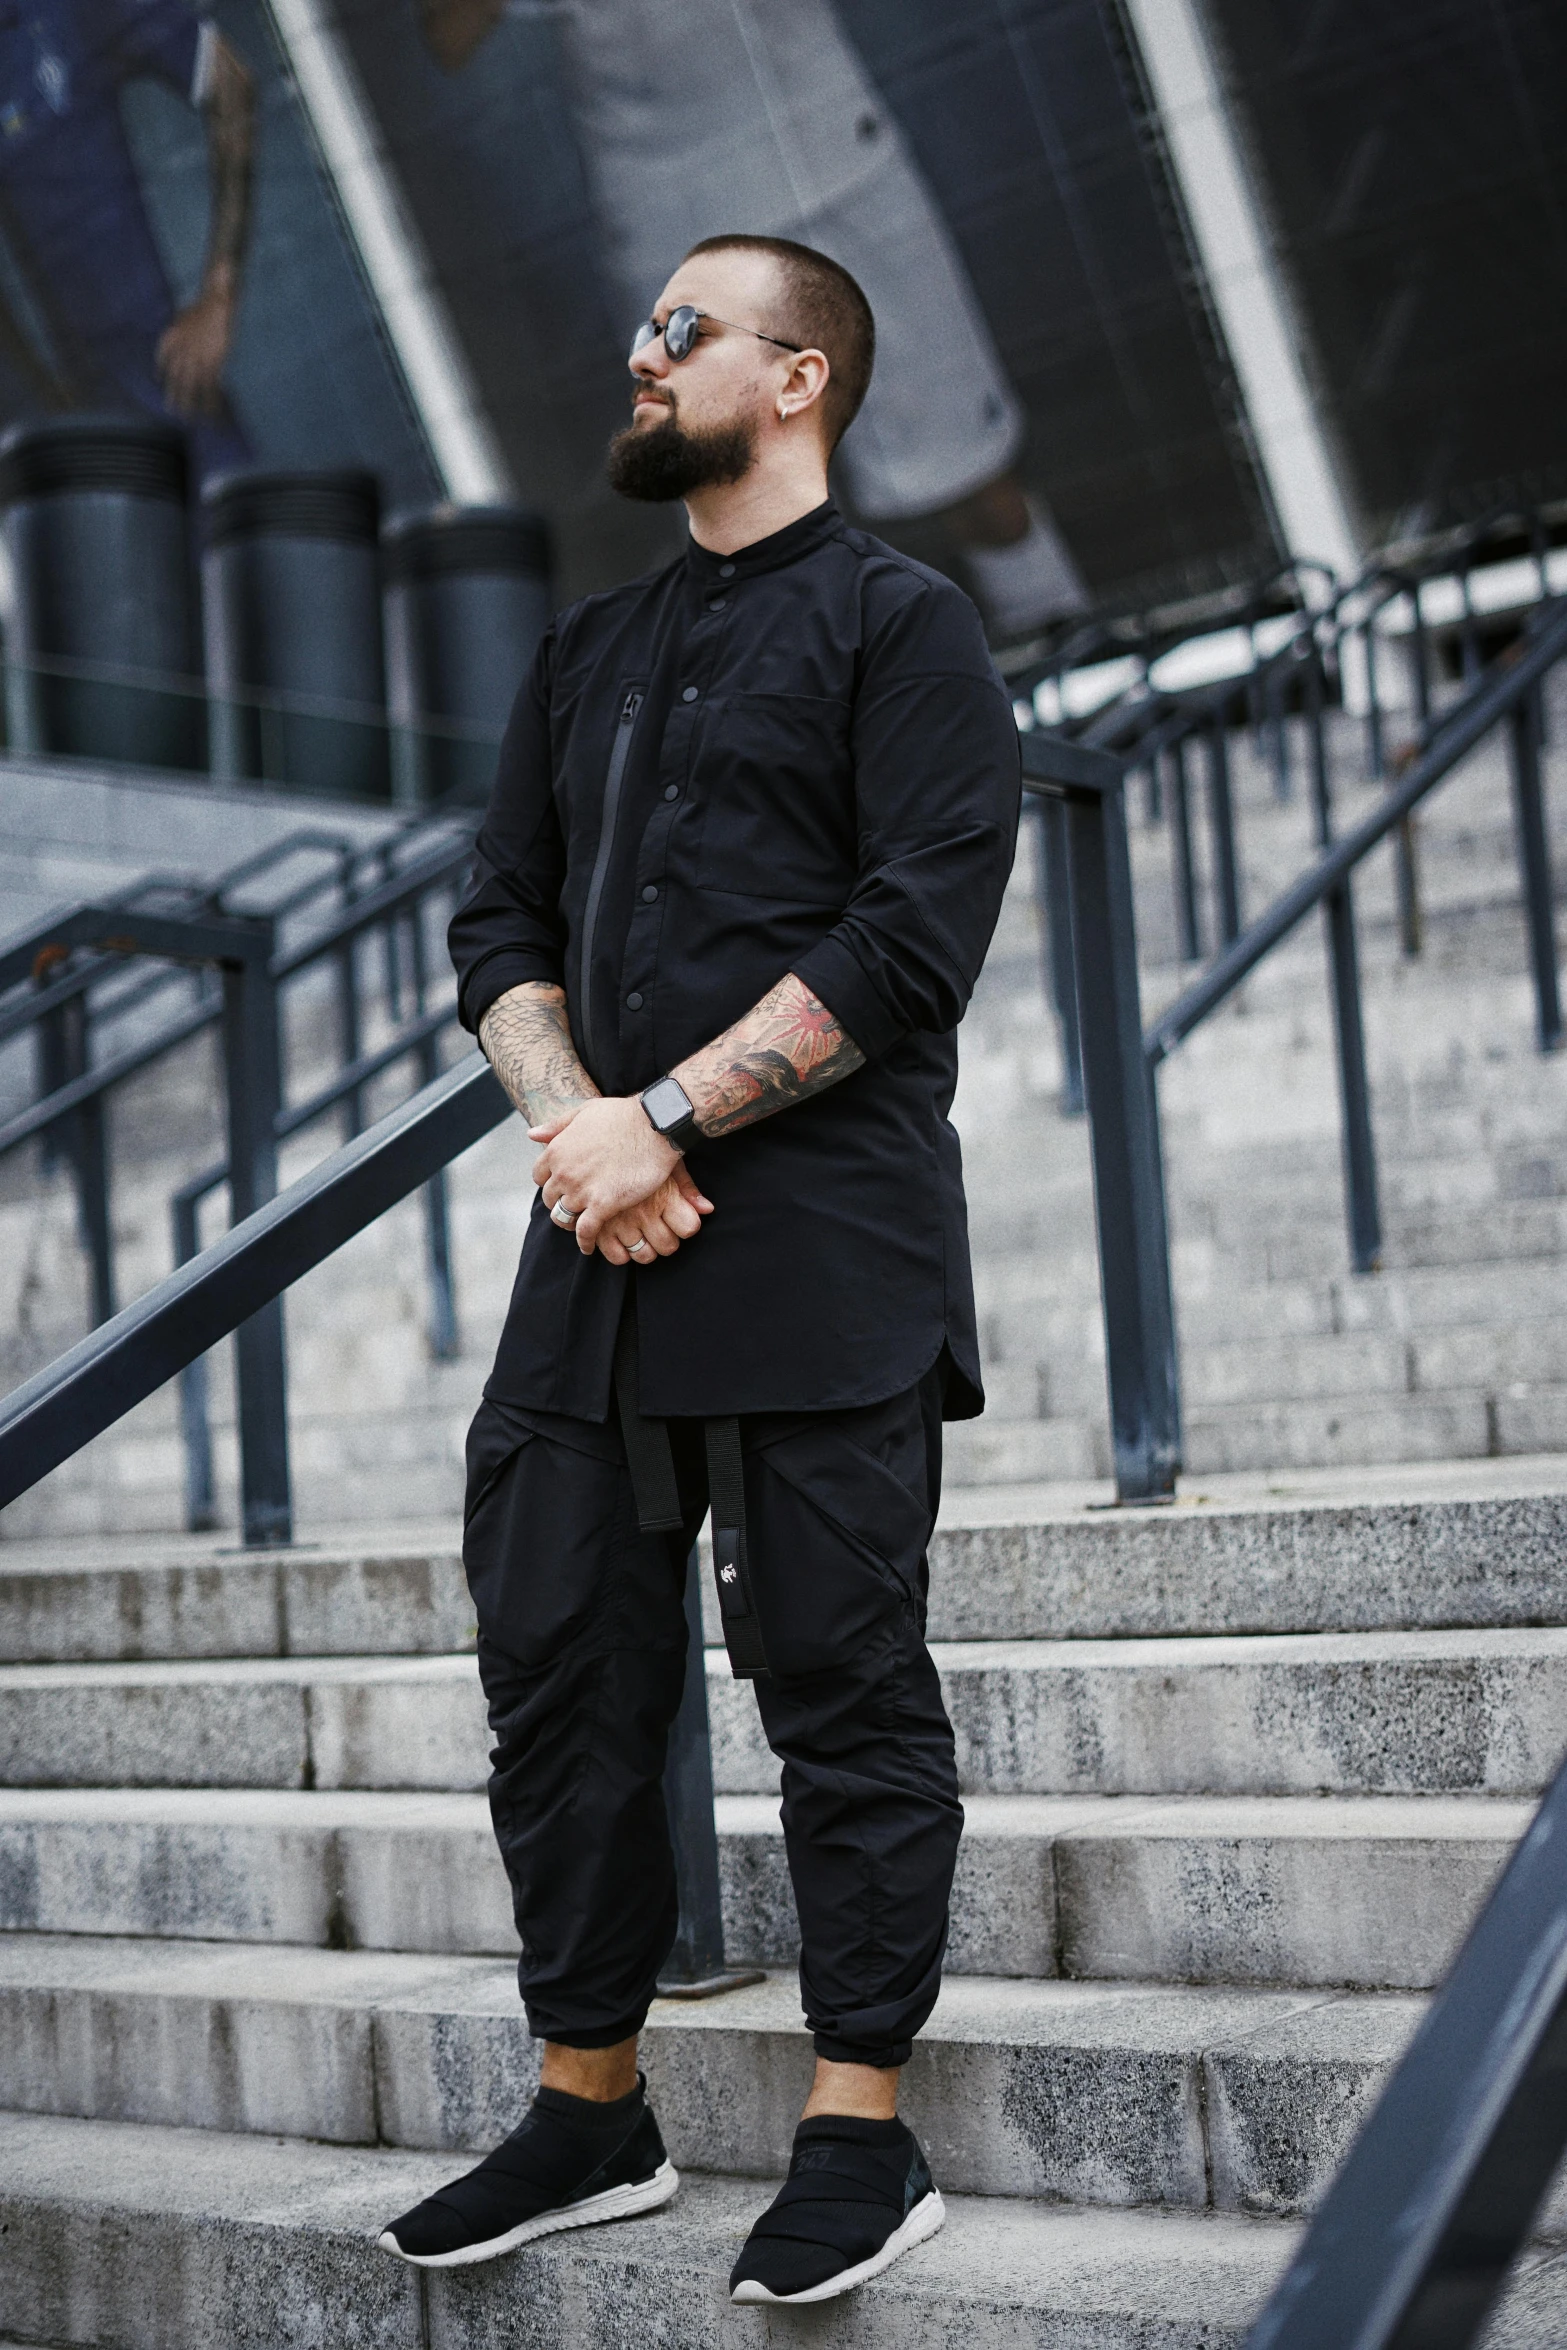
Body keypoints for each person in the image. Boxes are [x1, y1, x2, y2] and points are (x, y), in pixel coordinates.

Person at [378, 232, 1019, 2304]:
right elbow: (498, 923)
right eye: (642, 329)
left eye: (681, 329)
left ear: (801, 374)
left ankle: (859, 2123)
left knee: (839, 1674)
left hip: (822, 1247)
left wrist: (670, 1118)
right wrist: (585, 1124)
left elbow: (914, 930)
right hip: (597, 1250)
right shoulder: (587, 650)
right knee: (555, 1664)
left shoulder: (908, 625)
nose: (638, 355)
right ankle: (591, 2099)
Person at [420, 0, 1089, 641]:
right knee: (741, 531)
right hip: (671, 216)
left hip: (835, 163)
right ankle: (803, 741)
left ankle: (1066, 646)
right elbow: (446, 36)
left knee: (969, 474)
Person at [0, 0, 254, 473]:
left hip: (177, 396)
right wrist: (43, 398)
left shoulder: (73, 11)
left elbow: (229, 82)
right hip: (85, 434)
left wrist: (221, 293)